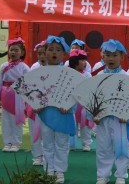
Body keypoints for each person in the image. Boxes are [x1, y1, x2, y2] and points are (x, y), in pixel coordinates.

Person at [37, 36, 75, 184]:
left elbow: (75, 94)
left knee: (62, 143)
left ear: (64, 54)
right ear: (44, 52)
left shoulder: (69, 73)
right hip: (46, 113)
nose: (54, 53)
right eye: (50, 49)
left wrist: (69, 106)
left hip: (63, 114)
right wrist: (36, 105)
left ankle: (59, 171)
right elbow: (33, 93)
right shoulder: (39, 73)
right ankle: (48, 170)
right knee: (46, 142)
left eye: (58, 50)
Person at [95, 39, 129, 184]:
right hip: (103, 119)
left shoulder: (126, 76)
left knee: (121, 146)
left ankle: (121, 175)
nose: (111, 58)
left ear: (122, 57)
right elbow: (93, 98)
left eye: (115, 55)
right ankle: (102, 175)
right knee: (103, 147)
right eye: (108, 55)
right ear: (102, 56)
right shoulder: (98, 76)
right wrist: (94, 114)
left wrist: (128, 115)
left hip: (119, 119)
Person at [0, 38, 29, 153]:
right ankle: (7, 142)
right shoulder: (3, 66)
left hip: (18, 96)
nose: (13, 52)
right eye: (11, 50)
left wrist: (27, 100)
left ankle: (16, 143)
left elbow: (28, 83)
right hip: (5, 95)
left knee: (17, 120)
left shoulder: (24, 67)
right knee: (6, 120)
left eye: (16, 50)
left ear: (22, 52)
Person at [68, 49, 94, 152]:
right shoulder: (68, 73)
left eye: (85, 60)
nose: (84, 63)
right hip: (71, 102)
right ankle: (71, 144)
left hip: (83, 103)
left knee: (85, 125)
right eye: (81, 60)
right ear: (74, 62)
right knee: (71, 124)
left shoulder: (87, 75)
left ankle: (86, 143)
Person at [28, 40, 46, 166]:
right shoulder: (33, 67)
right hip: (35, 104)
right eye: (39, 54)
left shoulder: (56, 68)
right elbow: (28, 87)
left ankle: (47, 155)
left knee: (47, 133)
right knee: (35, 130)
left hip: (49, 106)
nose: (41, 56)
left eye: (44, 53)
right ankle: (37, 155)